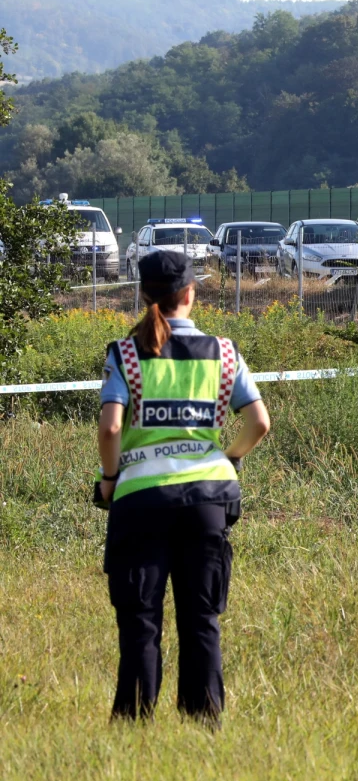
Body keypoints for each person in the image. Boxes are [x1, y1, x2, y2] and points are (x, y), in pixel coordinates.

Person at [95, 250, 270, 725]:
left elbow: (111, 430)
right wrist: (228, 460)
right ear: (191, 293)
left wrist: (110, 482)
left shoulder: (125, 354)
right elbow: (259, 422)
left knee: (140, 622)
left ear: (144, 295)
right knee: (201, 620)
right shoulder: (225, 352)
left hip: (141, 502)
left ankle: (132, 725)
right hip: (208, 501)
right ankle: (205, 722)